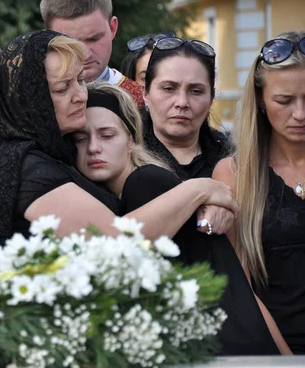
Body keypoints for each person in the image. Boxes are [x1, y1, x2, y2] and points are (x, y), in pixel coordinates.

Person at [74, 81, 285, 355]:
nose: (93, 148)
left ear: (131, 140)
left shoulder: (145, 182)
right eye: (80, 138)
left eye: (107, 135)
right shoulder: (150, 185)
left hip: (223, 349)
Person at [0, 30, 238, 243]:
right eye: (62, 88)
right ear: (30, 100)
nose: (80, 95)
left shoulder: (54, 153)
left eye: (79, 80)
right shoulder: (30, 168)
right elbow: (115, 244)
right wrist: (198, 189)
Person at [214, 31, 305, 354]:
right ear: (262, 101)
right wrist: (287, 359)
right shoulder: (236, 174)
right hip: (276, 350)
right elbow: (241, 287)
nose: (300, 114)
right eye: (285, 100)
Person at [40, 0, 144, 107]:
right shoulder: (32, 103)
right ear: (48, 38)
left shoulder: (144, 105)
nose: (85, 55)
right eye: (70, 44)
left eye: (94, 39)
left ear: (113, 28)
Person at [142, 37, 232, 180]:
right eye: (169, 88)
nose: (182, 102)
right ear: (146, 93)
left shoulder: (234, 162)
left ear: (211, 99)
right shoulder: (123, 157)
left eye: (196, 91)